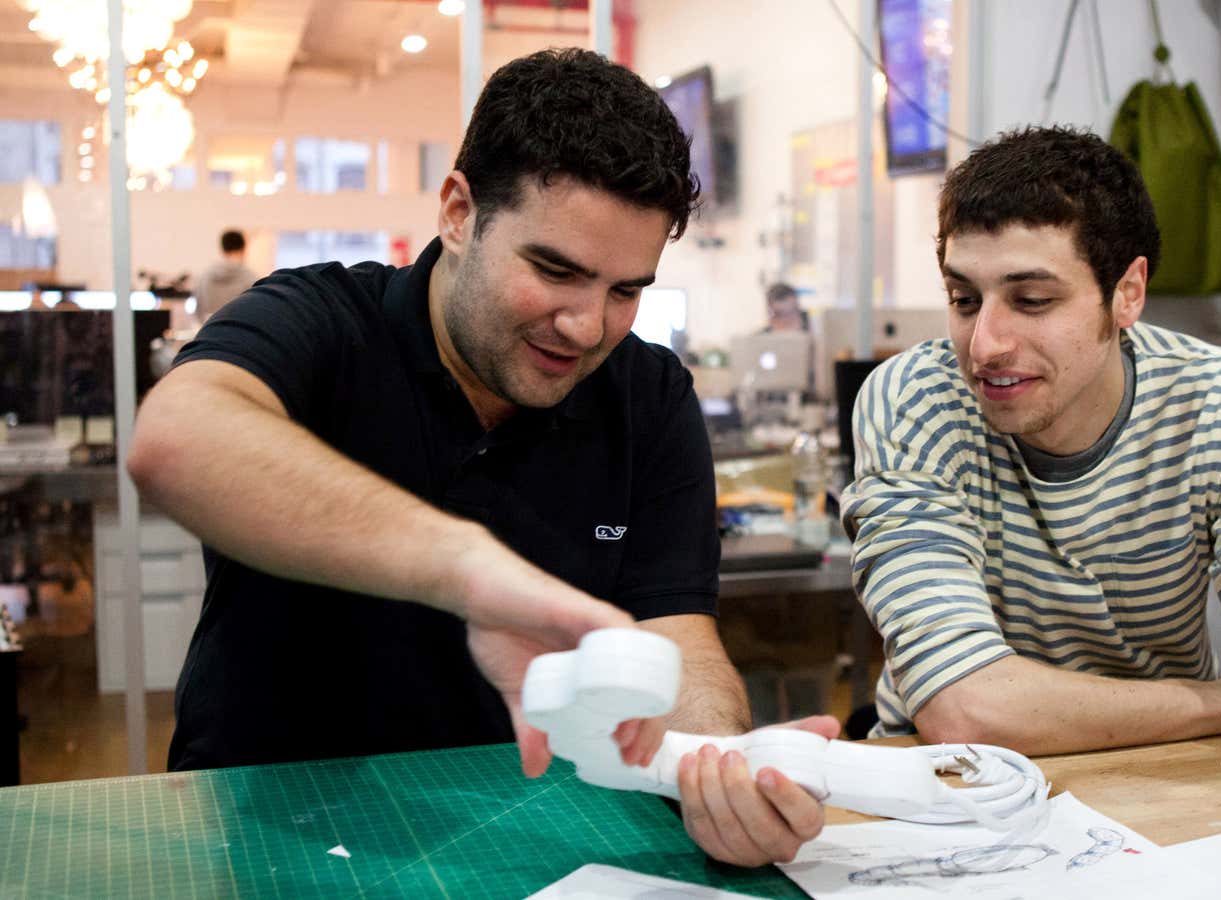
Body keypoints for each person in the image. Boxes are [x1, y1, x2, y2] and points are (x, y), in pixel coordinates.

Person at [128, 48, 833, 867]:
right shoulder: (322, 322)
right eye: (554, 270)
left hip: (535, 836)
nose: (587, 326)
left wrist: (717, 771)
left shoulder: (647, 395)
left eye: (624, 290)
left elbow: (676, 636)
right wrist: (466, 568)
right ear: (459, 212)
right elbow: (177, 438)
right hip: (273, 828)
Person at [841, 126, 1221, 763]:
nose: (984, 345)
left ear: (1127, 294)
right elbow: (965, 709)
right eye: (963, 299)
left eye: (1031, 300)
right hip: (948, 785)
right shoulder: (916, 400)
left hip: (1161, 778)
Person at [193, 229, 258, 321]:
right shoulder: (251, 277)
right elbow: (254, 310)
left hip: (210, 327)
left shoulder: (204, 276)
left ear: (222, 248)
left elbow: (198, 309)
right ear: (243, 248)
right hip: (239, 329)